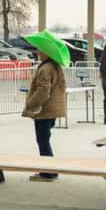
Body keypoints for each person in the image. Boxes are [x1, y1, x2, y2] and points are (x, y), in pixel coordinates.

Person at [21, 48, 66, 180]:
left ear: (48, 53)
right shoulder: (55, 66)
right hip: (52, 109)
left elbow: (43, 90)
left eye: (41, 51)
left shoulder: (46, 68)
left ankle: (47, 172)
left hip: (44, 110)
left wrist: (31, 103)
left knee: (43, 141)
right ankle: (50, 169)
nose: (38, 53)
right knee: (45, 139)